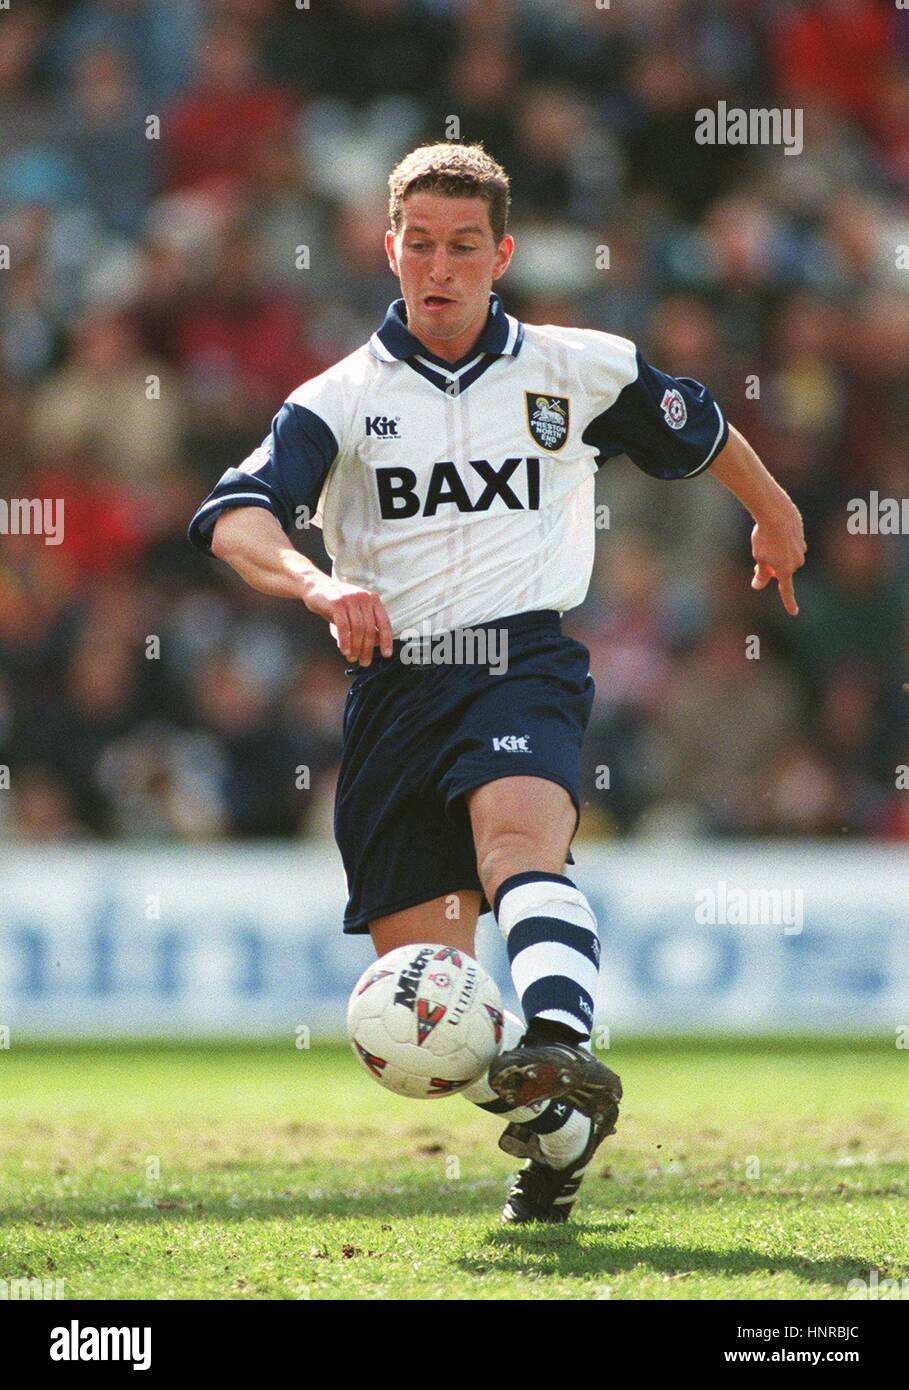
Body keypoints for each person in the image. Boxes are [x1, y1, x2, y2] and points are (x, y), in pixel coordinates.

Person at [188, 143, 806, 1223]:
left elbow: (696, 427)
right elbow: (232, 518)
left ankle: (565, 1039)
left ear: (501, 254)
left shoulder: (579, 369)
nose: (439, 268)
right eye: (418, 245)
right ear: (388, 250)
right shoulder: (336, 401)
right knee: (434, 1016)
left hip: (519, 659)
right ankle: (563, 1127)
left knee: (519, 845)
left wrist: (776, 510)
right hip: (392, 691)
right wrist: (316, 585)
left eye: (463, 247)